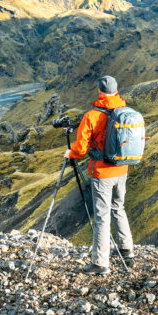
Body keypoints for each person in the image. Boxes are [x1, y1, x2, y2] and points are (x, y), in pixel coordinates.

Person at [64, 75, 135, 275]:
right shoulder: (125, 111)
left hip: (102, 172)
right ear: (116, 90)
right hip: (122, 168)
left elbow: (81, 149)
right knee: (118, 208)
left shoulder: (92, 116)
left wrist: (70, 154)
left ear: (99, 91)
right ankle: (127, 251)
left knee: (102, 216)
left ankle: (100, 263)